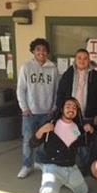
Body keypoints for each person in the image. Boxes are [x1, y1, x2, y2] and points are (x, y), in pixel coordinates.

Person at [30, 97, 94, 193]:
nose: (71, 109)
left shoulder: (77, 128)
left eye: (74, 107)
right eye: (68, 106)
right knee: (49, 191)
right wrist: (41, 131)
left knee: (83, 192)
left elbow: (83, 143)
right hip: (52, 165)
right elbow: (32, 143)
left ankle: (62, 181)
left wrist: (90, 131)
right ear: (62, 109)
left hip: (70, 166)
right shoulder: (51, 125)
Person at [56, 48, 97, 172]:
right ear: (75, 59)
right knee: (70, 139)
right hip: (71, 116)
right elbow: (60, 93)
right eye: (79, 58)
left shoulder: (96, 76)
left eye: (85, 58)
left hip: (88, 116)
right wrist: (60, 111)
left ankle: (85, 168)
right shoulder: (68, 74)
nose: (82, 61)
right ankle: (69, 165)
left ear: (89, 60)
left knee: (86, 142)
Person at [16, 38, 59, 179]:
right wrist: (24, 107)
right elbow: (21, 89)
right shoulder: (26, 67)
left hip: (46, 112)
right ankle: (26, 165)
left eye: (44, 50)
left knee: (43, 139)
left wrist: (53, 107)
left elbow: (57, 90)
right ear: (33, 51)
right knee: (28, 139)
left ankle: (39, 161)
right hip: (30, 112)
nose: (41, 52)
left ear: (47, 52)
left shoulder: (53, 68)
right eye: (38, 49)